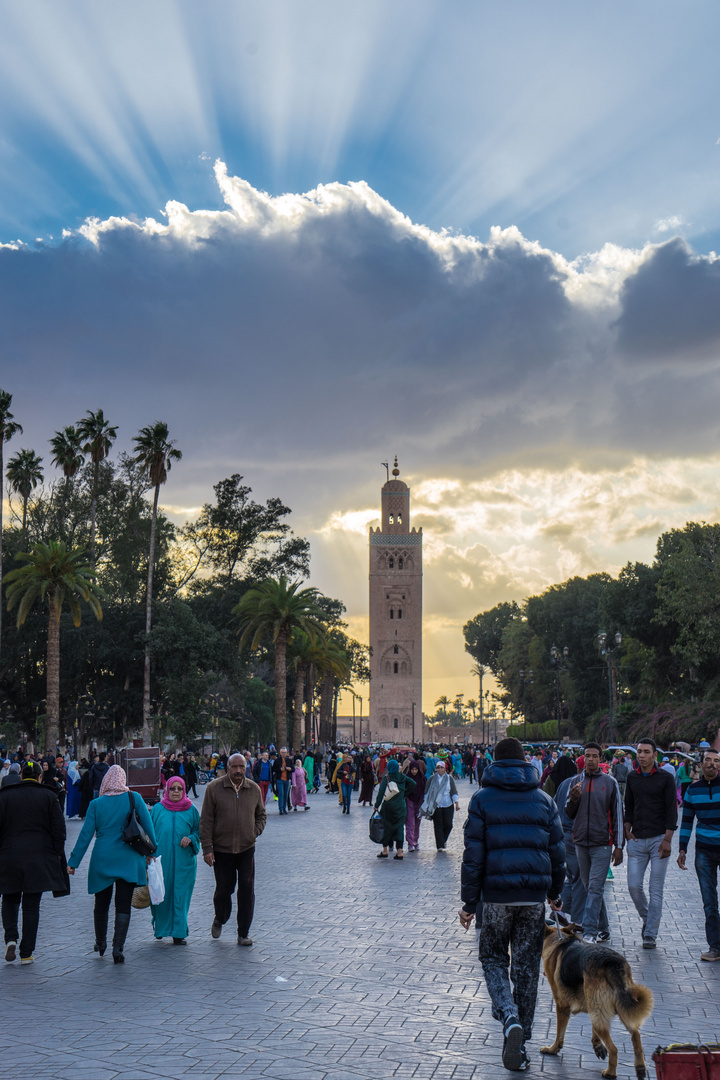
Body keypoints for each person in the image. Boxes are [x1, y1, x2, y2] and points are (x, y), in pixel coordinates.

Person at [459, 737, 565, 1072]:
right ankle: (522, 1041)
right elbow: (557, 854)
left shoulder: (482, 800)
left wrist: (469, 904)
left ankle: (508, 1017)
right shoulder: (544, 800)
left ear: (494, 761)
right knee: (526, 967)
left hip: (496, 898)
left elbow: (473, 857)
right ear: (524, 764)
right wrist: (555, 893)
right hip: (533, 898)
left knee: (492, 957)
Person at [67, 764, 158, 964]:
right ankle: (118, 948)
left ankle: (100, 943)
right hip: (129, 857)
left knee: (101, 903)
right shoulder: (134, 798)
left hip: (103, 859)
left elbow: (85, 835)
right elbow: (149, 827)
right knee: (123, 904)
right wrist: (153, 852)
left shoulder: (96, 804)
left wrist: (73, 862)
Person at [0, 761, 67, 965]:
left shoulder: (4, 796)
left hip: (8, 856)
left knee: (10, 899)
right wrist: (56, 854)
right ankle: (26, 952)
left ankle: (11, 938)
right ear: (39, 777)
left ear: (21, 776)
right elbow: (59, 830)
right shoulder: (48, 795)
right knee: (31, 905)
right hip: (38, 859)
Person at [199, 753, 266, 946]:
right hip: (222, 850)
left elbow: (261, 815)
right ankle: (220, 917)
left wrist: (254, 832)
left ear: (246, 768)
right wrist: (207, 848)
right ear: (227, 767)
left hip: (246, 848)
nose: (238, 771)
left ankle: (243, 932)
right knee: (224, 889)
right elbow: (206, 821)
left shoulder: (253, 789)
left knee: (246, 889)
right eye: (234, 767)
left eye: (242, 767)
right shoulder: (214, 789)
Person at [565, 741, 623, 944]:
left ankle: (589, 932)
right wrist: (573, 800)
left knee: (595, 888)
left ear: (600, 759)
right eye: (587, 756)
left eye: (594, 756)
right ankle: (604, 928)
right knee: (590, 887)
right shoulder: (575, 783)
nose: (590, 759)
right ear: (582, 758)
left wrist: (619, 846)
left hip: (602, 843)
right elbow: (569, 813)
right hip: (580, 842)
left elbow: (617, 815)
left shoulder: (610, 782)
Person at [623, 737, 677, 949]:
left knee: (656, 890)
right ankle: (648, 919)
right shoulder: (631, 777)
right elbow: (629, 805)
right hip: (637, 839)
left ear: (655, 754)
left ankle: (650, 934)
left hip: (658, 841)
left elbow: (672, 810)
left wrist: (667, 839)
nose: (642, 756)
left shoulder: (665, 778)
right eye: (639, 752)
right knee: (633, 886)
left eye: (646, 752)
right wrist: (627, 828)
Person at [678, 746, 720, 961]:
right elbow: (686, 822)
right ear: (701, 764)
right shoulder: (693, 791)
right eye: (708, 760)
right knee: (709, 900)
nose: (712, 764)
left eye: (716, 760)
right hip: (703, 851)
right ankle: (715, 946)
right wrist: (682, 849)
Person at [150, 777, 200, 944]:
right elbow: (148, 835)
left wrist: (191, 838)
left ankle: (179, 932)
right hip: (160, 862)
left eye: (180, 789)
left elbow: (200, 832)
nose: (176, 791)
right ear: (167, 790)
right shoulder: (157, 809)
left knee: (180, 896)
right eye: (173, 789)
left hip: (184, 863)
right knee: (160, 894)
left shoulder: (191, 810)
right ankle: (161, 928)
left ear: (184, 790)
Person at [373, 759, 415, 859]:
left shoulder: (387, 777)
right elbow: (413, 783)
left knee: (386, 827)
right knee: (399, 828)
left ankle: (385, 850)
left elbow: (381, 792)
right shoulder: (403, 777)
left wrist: (376, 805)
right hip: (401, 807)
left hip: (388, 807)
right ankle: (400, 851)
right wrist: (405, 792)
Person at [421, 760, 460, 851]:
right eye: (438, 768)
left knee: (448, 825)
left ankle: (443, 840)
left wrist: (456, 803)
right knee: (438, 825)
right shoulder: (432, 779)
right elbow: (427, 792)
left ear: (445, 768)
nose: (440, 769)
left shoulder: (449, 779)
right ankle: (439, 845)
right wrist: (426, 804)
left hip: (448, 804)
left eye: (442, 767)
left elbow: (453, 791)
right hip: (436, 806)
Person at [404, 760, 426, 851]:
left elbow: (424, 791)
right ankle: (410, 842)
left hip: (419, 802)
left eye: (415, 769)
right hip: (409, 801)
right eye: (412, 769)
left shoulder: (422, 779)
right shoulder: (407, 778)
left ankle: (415, 841)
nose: (414, 771)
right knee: (410, 822)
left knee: (417, 822)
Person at [272, 747, 294, 815]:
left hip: (287, 779)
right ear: (280, 753)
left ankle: (284, 809)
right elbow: (274, 769)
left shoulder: (289, 760)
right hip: (280, 779)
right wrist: (280, 769)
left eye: (285, 752)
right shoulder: (277, 761)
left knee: (285, 794)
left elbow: (293, 769)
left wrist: (289, 769)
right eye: (282, 752)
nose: (284, 754)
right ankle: (281, 809)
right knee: (281, 794)